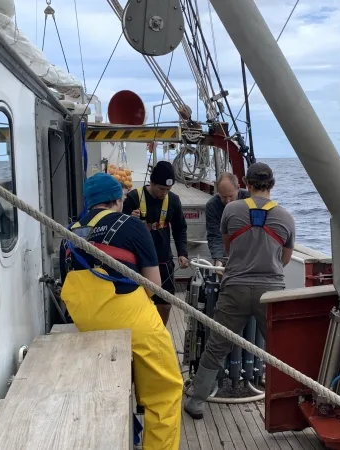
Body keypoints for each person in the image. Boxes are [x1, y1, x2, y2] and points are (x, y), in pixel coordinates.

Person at [59, 173, 183, 450]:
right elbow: (153, 285)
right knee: (166, 391)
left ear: (89, 202)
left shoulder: (68, 234)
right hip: (131, 321)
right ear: (118, 199)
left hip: (86, 325)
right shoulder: (131, 224)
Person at [184, 162, 295, 420]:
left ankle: (197, 400)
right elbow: (285, 259)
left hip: (234, 287)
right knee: (280, 348)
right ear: (272, 185)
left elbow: (228, 248)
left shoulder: (231, 210)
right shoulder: (286, 217)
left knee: (216, 346)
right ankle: (291, 401)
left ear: (246, 183)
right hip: (270, 291)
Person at [123, 161, 189, 326]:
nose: (164, 193)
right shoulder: (133, 198)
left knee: (165, 302)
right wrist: (130, 219)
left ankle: (161, 332)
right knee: (137, 300)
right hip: (138, 261)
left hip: (162, 260)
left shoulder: (173, 201)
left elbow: (180, 228)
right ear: (151, 183)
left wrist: (182, 253)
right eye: (161, 189)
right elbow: (120, 228)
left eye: (168, 190)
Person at [205, 172, 250, 266]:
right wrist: (218, 259)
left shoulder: (250, 199)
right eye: (224, 197)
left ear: (238, 188)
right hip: (227, 251)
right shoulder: (212, 206)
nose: (228, 201)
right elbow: (214, 235)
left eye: (231, 196)